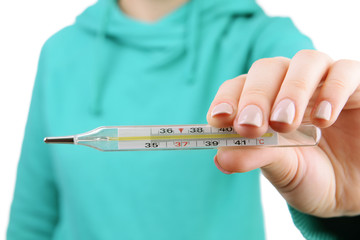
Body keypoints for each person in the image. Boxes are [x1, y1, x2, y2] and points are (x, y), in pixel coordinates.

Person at [7, 0, 360, 239]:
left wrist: (349, 206)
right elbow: (33, 217)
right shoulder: (60, 52)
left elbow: (302, 90)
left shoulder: (259, 38)